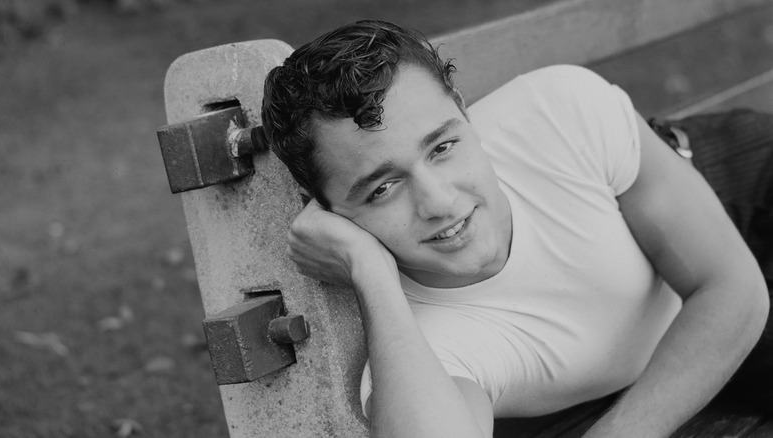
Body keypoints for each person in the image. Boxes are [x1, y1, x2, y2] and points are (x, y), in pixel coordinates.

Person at [261, 20, 771, 437]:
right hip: (681, 346)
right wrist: (370, 273)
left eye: (442, 147)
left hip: (730, 191)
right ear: (324, 208)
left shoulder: (560, 110)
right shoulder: (424, 346)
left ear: (464, 111)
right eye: (383, 188)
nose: (440, 202)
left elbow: (731, 287)